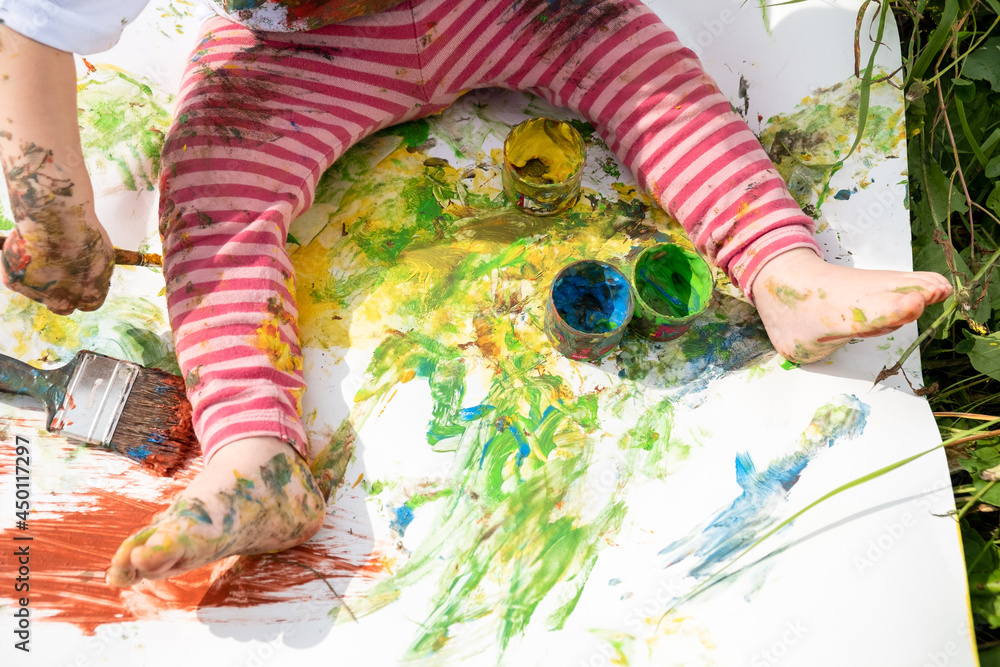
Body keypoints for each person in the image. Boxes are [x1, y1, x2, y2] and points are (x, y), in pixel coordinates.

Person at [0, 0, 952, 587]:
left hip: (501, 6)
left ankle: (782, 270)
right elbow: (41, 22)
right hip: (297, 54)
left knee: (640, 62)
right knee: (211, 185)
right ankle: (255, 454)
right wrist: (52, 201)